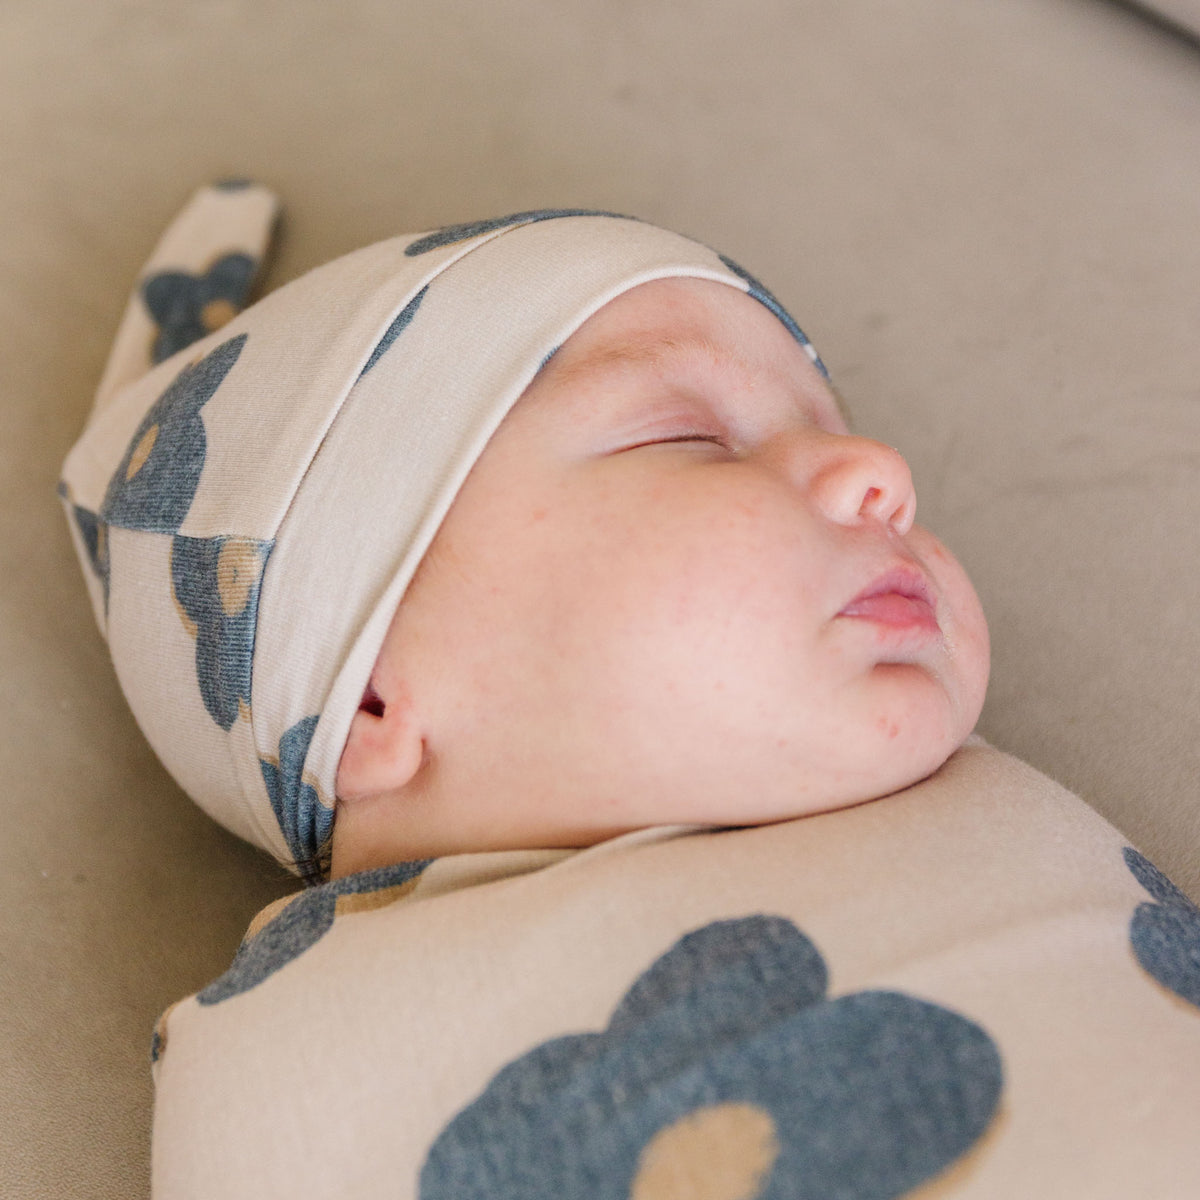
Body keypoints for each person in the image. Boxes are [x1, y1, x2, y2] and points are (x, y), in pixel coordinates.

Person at [60, 184, 1200, 1199]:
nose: (882, 476)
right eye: (690, 438)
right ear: (366, 702)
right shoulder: (281, 1058)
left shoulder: (953, 803)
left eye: (834, 427)